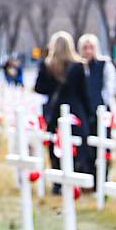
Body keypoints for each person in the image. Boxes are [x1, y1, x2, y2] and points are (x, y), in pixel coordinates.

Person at [34, 31, 95, 176]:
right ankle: (77, 175)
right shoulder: (79, 66)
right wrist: (89, 113)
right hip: (76, 110)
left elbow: (38, 88)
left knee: (57, 144)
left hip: (55, 110)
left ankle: (58, 176)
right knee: (77, 145)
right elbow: (84, 93)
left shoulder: (47, 65)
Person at [78, 32, 116, 119]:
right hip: (83, 109)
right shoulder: (77, 66)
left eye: (91, 47)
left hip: (100, 105)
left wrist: (107, 103)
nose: (88, 51)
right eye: (85, 48)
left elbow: (109, 86)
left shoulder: (104, 64)